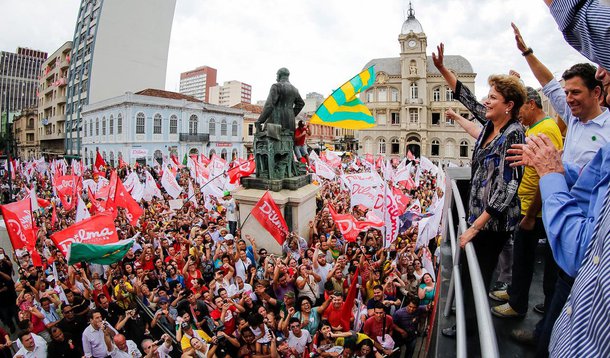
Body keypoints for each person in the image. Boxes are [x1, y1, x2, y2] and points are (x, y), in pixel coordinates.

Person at [434, 45, 527, 338]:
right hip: (480, 218)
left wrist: (475, 227)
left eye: (494, 98)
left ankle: (469, 329)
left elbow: (508, 188)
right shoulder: (491, 124)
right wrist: (442, 70)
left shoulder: (514, 134)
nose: (486, 101)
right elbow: (467, 98)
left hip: (492, 224)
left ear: (509, 105)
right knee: (471, 271)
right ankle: (468, 322)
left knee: (477, 275)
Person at [490, 86, 563, 319]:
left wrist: (531, 214)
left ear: (532, 104)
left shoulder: (546, 130)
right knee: (522, 255)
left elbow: (548, 173)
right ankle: (514, 292)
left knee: (524, 258)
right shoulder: (534, 127)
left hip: (536, 210)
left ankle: (518, 304)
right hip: (526, 205)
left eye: (520, 107)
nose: (517, 113)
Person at [256, 67, 305, 134]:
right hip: (290, 122)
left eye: (277, 75)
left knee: (267, 137)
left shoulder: (276, 86)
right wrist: (292, 114)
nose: (276, 78)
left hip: (276, 121)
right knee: (289, 142)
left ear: (279, 75)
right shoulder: (295, 90)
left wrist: (260, 121)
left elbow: (269, 105)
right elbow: (301, 103)